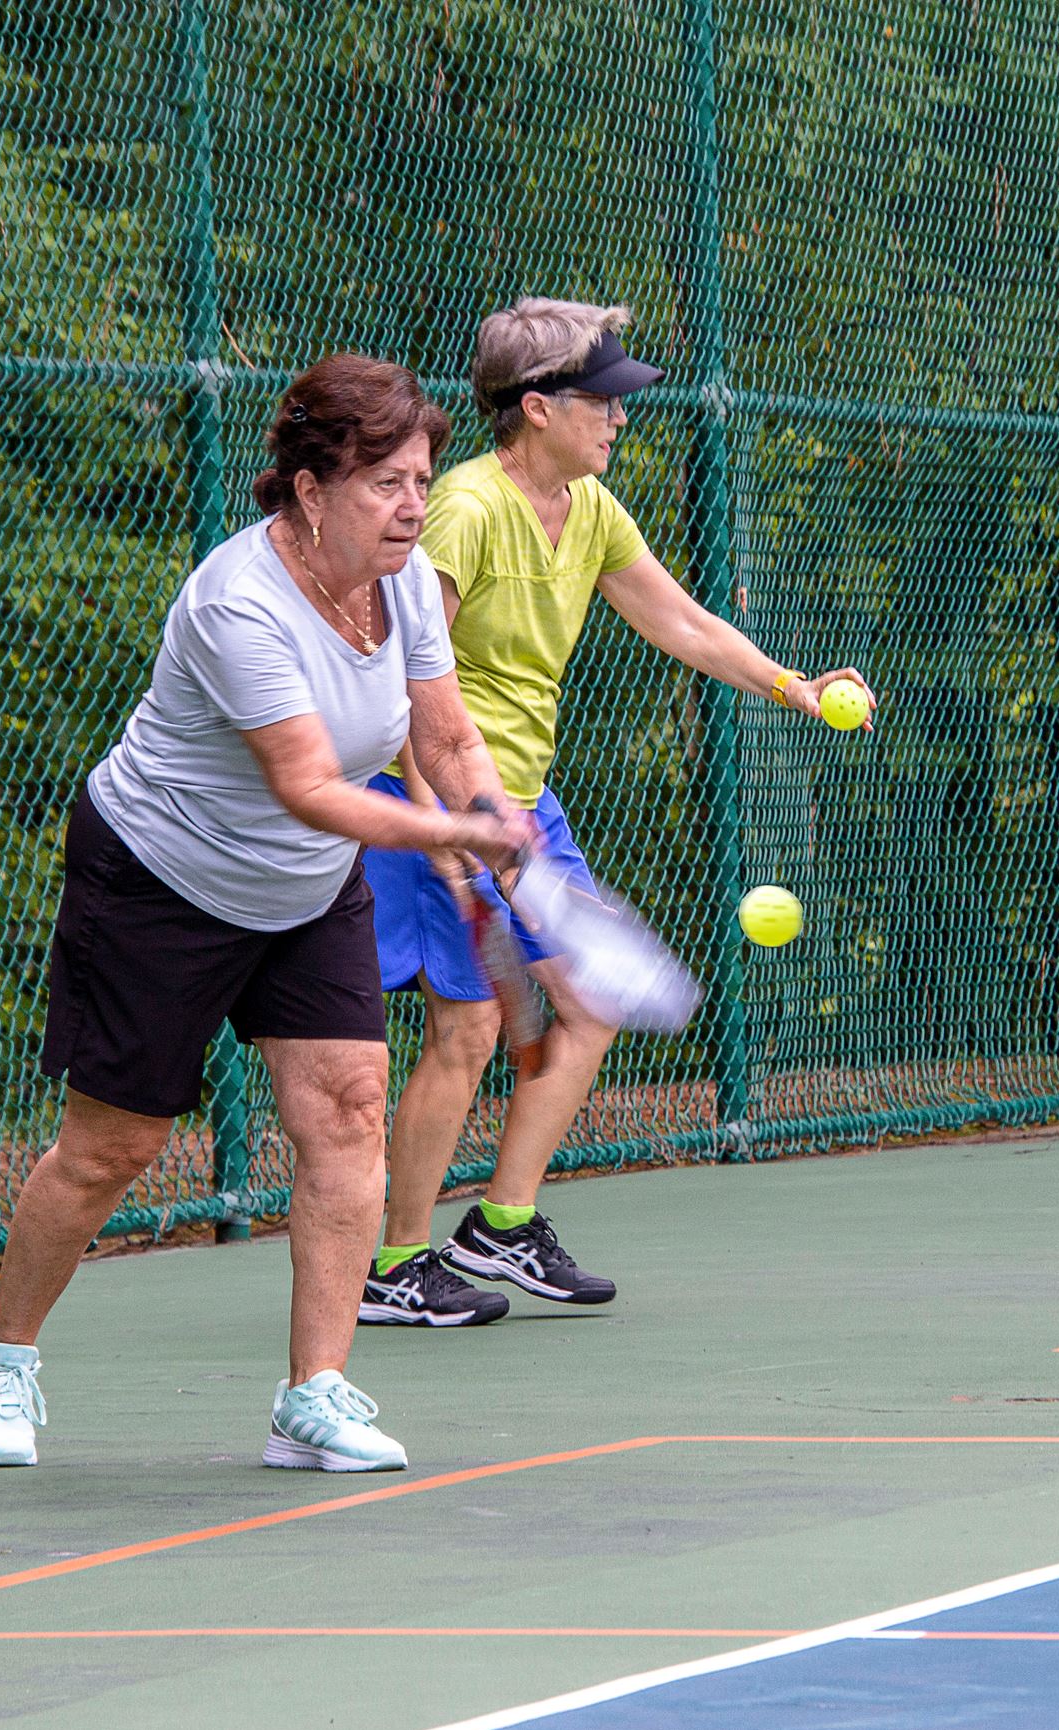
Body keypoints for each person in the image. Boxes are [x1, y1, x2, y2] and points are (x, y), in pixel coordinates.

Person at [0, 355, 537, 1470]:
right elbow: (311, 784)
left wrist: (500, 822)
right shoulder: (237, 603)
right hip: (162, 877)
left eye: (421, 478)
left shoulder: (405, 580)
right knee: (111, 1147)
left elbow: (447, 739)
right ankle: (1, 1356)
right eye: (385, 482)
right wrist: (460, 840)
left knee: (349, 1106)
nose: (413, 503)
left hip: (306, 887)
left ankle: (314, 1392)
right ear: (311, 489)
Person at [355, 299, 874, 1326]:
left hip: (520, 801)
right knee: (464, 1027)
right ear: (538, 409)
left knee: (585, 1008)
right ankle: (395, 1263)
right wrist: (443, 831)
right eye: (603, 401)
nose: (621, 418)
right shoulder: (463, 511)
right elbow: (400, 678)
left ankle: (500, 1225)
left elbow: (676, 619)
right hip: (427, 793)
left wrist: (794, 686)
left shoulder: (589, 509)